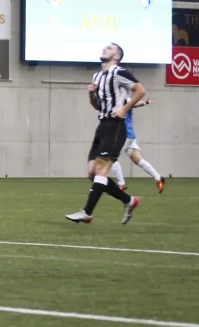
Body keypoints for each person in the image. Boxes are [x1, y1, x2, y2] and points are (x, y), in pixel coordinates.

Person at [66, 43, 142, 225]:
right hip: (102, 126)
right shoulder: (97, 76)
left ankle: (87, 212)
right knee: (92, 173)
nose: (105, 49)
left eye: (109, 48)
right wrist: (91, 95)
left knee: (101, 170)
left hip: (116, 126)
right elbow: (97, 106)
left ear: (117, 56)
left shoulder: (120, 72)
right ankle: (128, 200)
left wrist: (124, 109)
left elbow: (140, 90)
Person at [110, 99, 165, 193]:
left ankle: (121, 184)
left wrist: (144, 103)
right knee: (138, 160)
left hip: (125, 135)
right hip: (129, 135)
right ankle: (159, 178)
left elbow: (135, 103)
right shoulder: (113, 99)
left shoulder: (123, 98)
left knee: (111, 158)